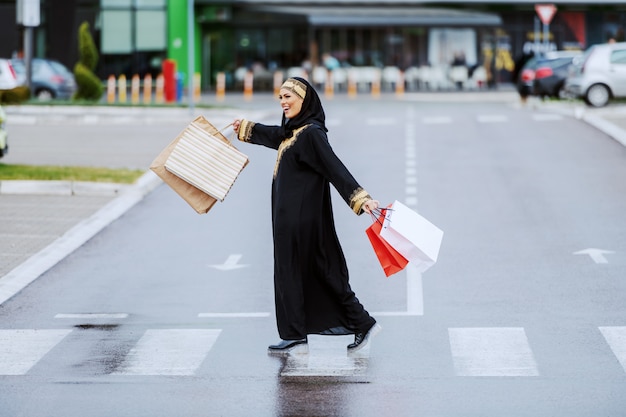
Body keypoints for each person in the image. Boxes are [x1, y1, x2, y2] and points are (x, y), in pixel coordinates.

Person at [232, 77, 381, 355]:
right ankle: (297, 332)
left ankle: (360, 323)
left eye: (289, 96)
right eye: (280, 97)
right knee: (297, 273)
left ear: (305, 100)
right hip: (290, 220)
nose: (284, 101)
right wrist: (246, 129)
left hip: (303, 221)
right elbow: (274, 136)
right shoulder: (294, 132)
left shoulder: (311, 134)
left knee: (317, 272)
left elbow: (334, 168)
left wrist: (361, 199)